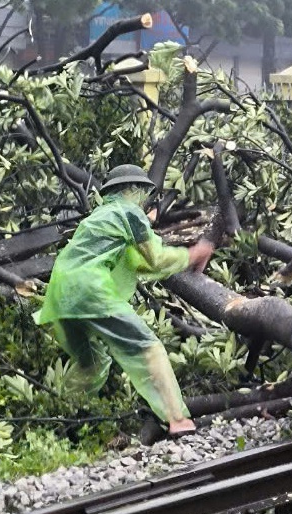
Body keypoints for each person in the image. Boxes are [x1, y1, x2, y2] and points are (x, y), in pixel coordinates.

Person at [35, 164, 214, 437]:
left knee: (92, 364)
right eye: (142, 192)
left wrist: (179, 261)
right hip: (89, 289)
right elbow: (155, 258)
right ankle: (177, 420)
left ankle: (60, 425)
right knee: (148, 348)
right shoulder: (128, 212)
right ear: (133, 190)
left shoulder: (100, 217)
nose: (144, 199)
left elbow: (135, 264)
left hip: (59, 296)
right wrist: (193, 254)